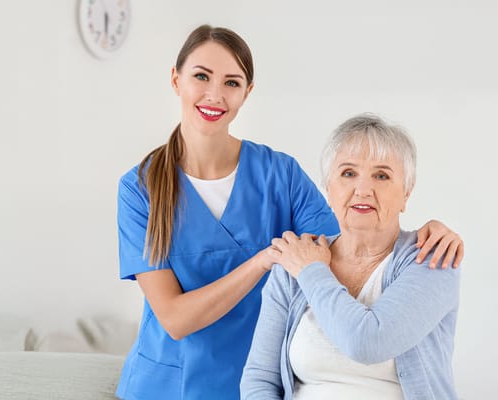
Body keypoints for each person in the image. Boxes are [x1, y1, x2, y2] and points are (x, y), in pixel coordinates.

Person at [116, 25, 463, 400]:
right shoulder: (140, 189)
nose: (214, 94)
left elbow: (347, 242)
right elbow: (174, 318)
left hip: (252, 377)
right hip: (169, 385)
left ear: (247, 93)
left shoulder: (280, 175)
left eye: (232, 82)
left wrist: (431, 227)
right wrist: (265, 260)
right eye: (201, 76)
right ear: (176, 79)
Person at [240, 113, 461, 399]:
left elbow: (367, 343)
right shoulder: (292, 266)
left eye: (381, 175)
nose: (363, 190)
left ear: (406, 193)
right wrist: (305, 267)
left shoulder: (433, 258)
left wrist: (312, 272)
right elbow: (260, 379)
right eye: (348, 173)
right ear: (328, 190)